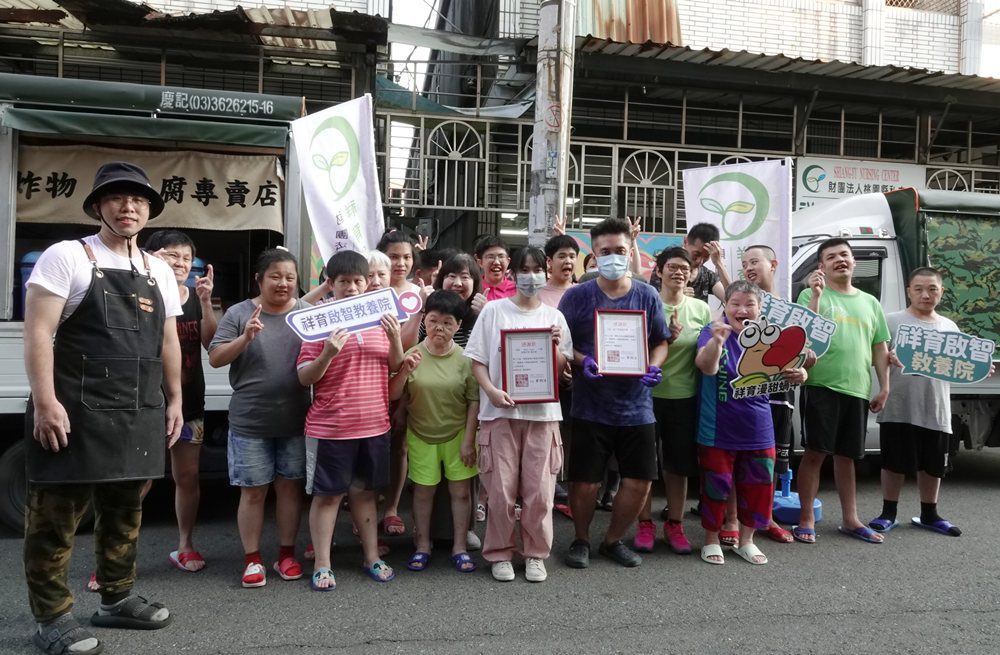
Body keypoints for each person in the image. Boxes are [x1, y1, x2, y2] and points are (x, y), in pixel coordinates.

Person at [23, 161, 182, 655]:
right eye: (116, 197)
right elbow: (39, 333)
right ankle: (51, 618)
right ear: (97, 206)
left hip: (137, 408)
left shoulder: (158, 269)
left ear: (149, 209)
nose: (127, 205)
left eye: (137, 198)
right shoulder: (68, 256)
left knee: (125, 512)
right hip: (74, 408)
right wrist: (45, 401)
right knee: (55, 518)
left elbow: (169, 340)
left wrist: (174, 398)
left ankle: (115, 598)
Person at [558, 217, 670, 569]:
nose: (613, 257)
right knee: (585, 482)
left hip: (637, 407)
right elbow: (562, 341)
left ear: (630, 250)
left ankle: (612, 540)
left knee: (638, 481)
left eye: (620, 250)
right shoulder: (577, 296)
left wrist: (654, 365)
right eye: (605, 251)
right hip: (590, 406)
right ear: (594, 253)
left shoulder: (647, 294)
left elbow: (661, 340)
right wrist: (582, 360)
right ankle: (580, 538)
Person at [297, 250, 404, 588]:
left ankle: (372, 556)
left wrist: (395, 337)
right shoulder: (318, 323)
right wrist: (327, 352)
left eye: (359, 280)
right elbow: (304, 378)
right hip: (331, 427)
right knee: (327, 496)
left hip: (375, 424)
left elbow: (395, 365)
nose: (354, 287)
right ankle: (324, 564)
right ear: (331, 284)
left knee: (365, 494)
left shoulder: (379, 319)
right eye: (344, 281)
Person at [465, 246, 573, 582]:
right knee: (499, 489)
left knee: (540, 491)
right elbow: (477, 361)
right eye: (524, 270)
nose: (530, 276)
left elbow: (562, 369)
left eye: (536, 269)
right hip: (499, 414)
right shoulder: (494, 311)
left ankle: (536, 553)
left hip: (542, 415)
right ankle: (499, 552)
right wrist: (492, 391)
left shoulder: (554, 317)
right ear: (514, 274)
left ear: (545, 272)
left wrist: (555, 350)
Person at [209, 248, 310, 587]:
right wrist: (245, 337)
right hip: (250, 421)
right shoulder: (239, 313)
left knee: (290, 491)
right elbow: (216, 358)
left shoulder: (307, 314)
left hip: (296, 420)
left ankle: (286, 555)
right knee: (253, 492)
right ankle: (252, 560)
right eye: (275, 277)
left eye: (290, 278)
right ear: (260, 279)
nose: (283, 283)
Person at [869, 267, 994, 537]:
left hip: (936, 407)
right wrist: (887, 357)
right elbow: (874, 355)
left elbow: (960, 365)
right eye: (919, 289)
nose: (926, 295)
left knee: (933, 464)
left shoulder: (949, 327)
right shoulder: (891, 321)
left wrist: (978, 368)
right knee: (893, 462)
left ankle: (929, 514)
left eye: (932, 289)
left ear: (941, 292)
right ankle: (887, 513)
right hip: (899, 406)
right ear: (909, 291)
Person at [694, 281, 807, 565]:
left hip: (759, 427)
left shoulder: (770, 336)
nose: (742, 310)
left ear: (760, 308)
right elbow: (706, 367)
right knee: (715, 486)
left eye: (749, 305)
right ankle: (710, 539)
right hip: (717, 427)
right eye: (735, 304)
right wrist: (717, 342)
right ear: (726, 306)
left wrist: (801, 373)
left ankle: (747, 540)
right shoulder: (711, 331)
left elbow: (793, 365)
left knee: (758, 488)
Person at [794, 238, 891, 544]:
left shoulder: (870, 302)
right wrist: (816, 297)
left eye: (845, 255)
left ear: (853, 261)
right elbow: (801, 336)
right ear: (821, 265)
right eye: (831, 256)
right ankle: (806, 517)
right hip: (821, 384)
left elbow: (880, 347)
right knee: (815, 453)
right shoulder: (811, 294)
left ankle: (851, 519)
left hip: (857, 388)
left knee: (848, 456)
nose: (840, 260)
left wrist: (884, 387)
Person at [389, 290, 480, 573]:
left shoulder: (466, 359)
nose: (439, 328)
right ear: (424, 321)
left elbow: (474, 402)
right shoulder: (412, 355)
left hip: (457, 436)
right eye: (433, 320)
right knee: (423, 493)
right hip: (420, 435)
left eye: (448, 322)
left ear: (459, 326)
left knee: (461, 493)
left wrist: (468, 440)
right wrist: (404, 371)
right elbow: (394, 394)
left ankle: (460, 547)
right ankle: (422, 546)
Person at [145, 229, 218, 572]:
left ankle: (185, 546)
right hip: (144, 403)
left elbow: (211, 345)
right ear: (152, 255)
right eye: (172, 255)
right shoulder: (138, 291)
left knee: (187, 476)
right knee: (136, 480)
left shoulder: (194, 295)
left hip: (189, 403)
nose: (180, 263)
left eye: (186, 258)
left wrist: (205, 301)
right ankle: (113, 557)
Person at [633, 247, 710, 555]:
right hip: (646, 397)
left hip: (685, 398)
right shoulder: (646, 304)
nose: (679, 272)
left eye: (684, 268)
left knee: (678, 466)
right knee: (645, 466)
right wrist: (665, 339)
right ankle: (644, 523)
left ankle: (674, 523)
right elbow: (631, 351)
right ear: (660, 271)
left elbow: (706, 353)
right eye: (672, 267)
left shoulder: (701, 309)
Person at [740, 244, 808, 544]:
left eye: (755, 261)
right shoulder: (739, 305)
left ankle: (765, 518)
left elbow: (807, 353)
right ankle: (732, 520)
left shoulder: (789, 310)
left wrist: (804, 370)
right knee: (736, 460)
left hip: (778, 397)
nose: (749, 267)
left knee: (769, 464)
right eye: (744, 263)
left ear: (774, 264)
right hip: (741, 397)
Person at [648, 223, 731, 302]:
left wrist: (718, 263)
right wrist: (675, 296)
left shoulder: (707, 275)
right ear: (686, 241)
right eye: (696, 255)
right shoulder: (666, 269)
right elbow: (652, 300)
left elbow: (730, 298)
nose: (700, 261)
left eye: (706, 257)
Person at [538, 234, 579, 308]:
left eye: (572, 256)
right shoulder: (537, 294)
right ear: (549, 261)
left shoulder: (583, 292)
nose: (568, 261)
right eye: (562, 257)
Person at [474, 235, 516, 301]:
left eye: (501, 256)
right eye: (490, 257)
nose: (496, 262)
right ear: (480, 262)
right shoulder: (473, 288)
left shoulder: (518, 290)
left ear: (508, 261)